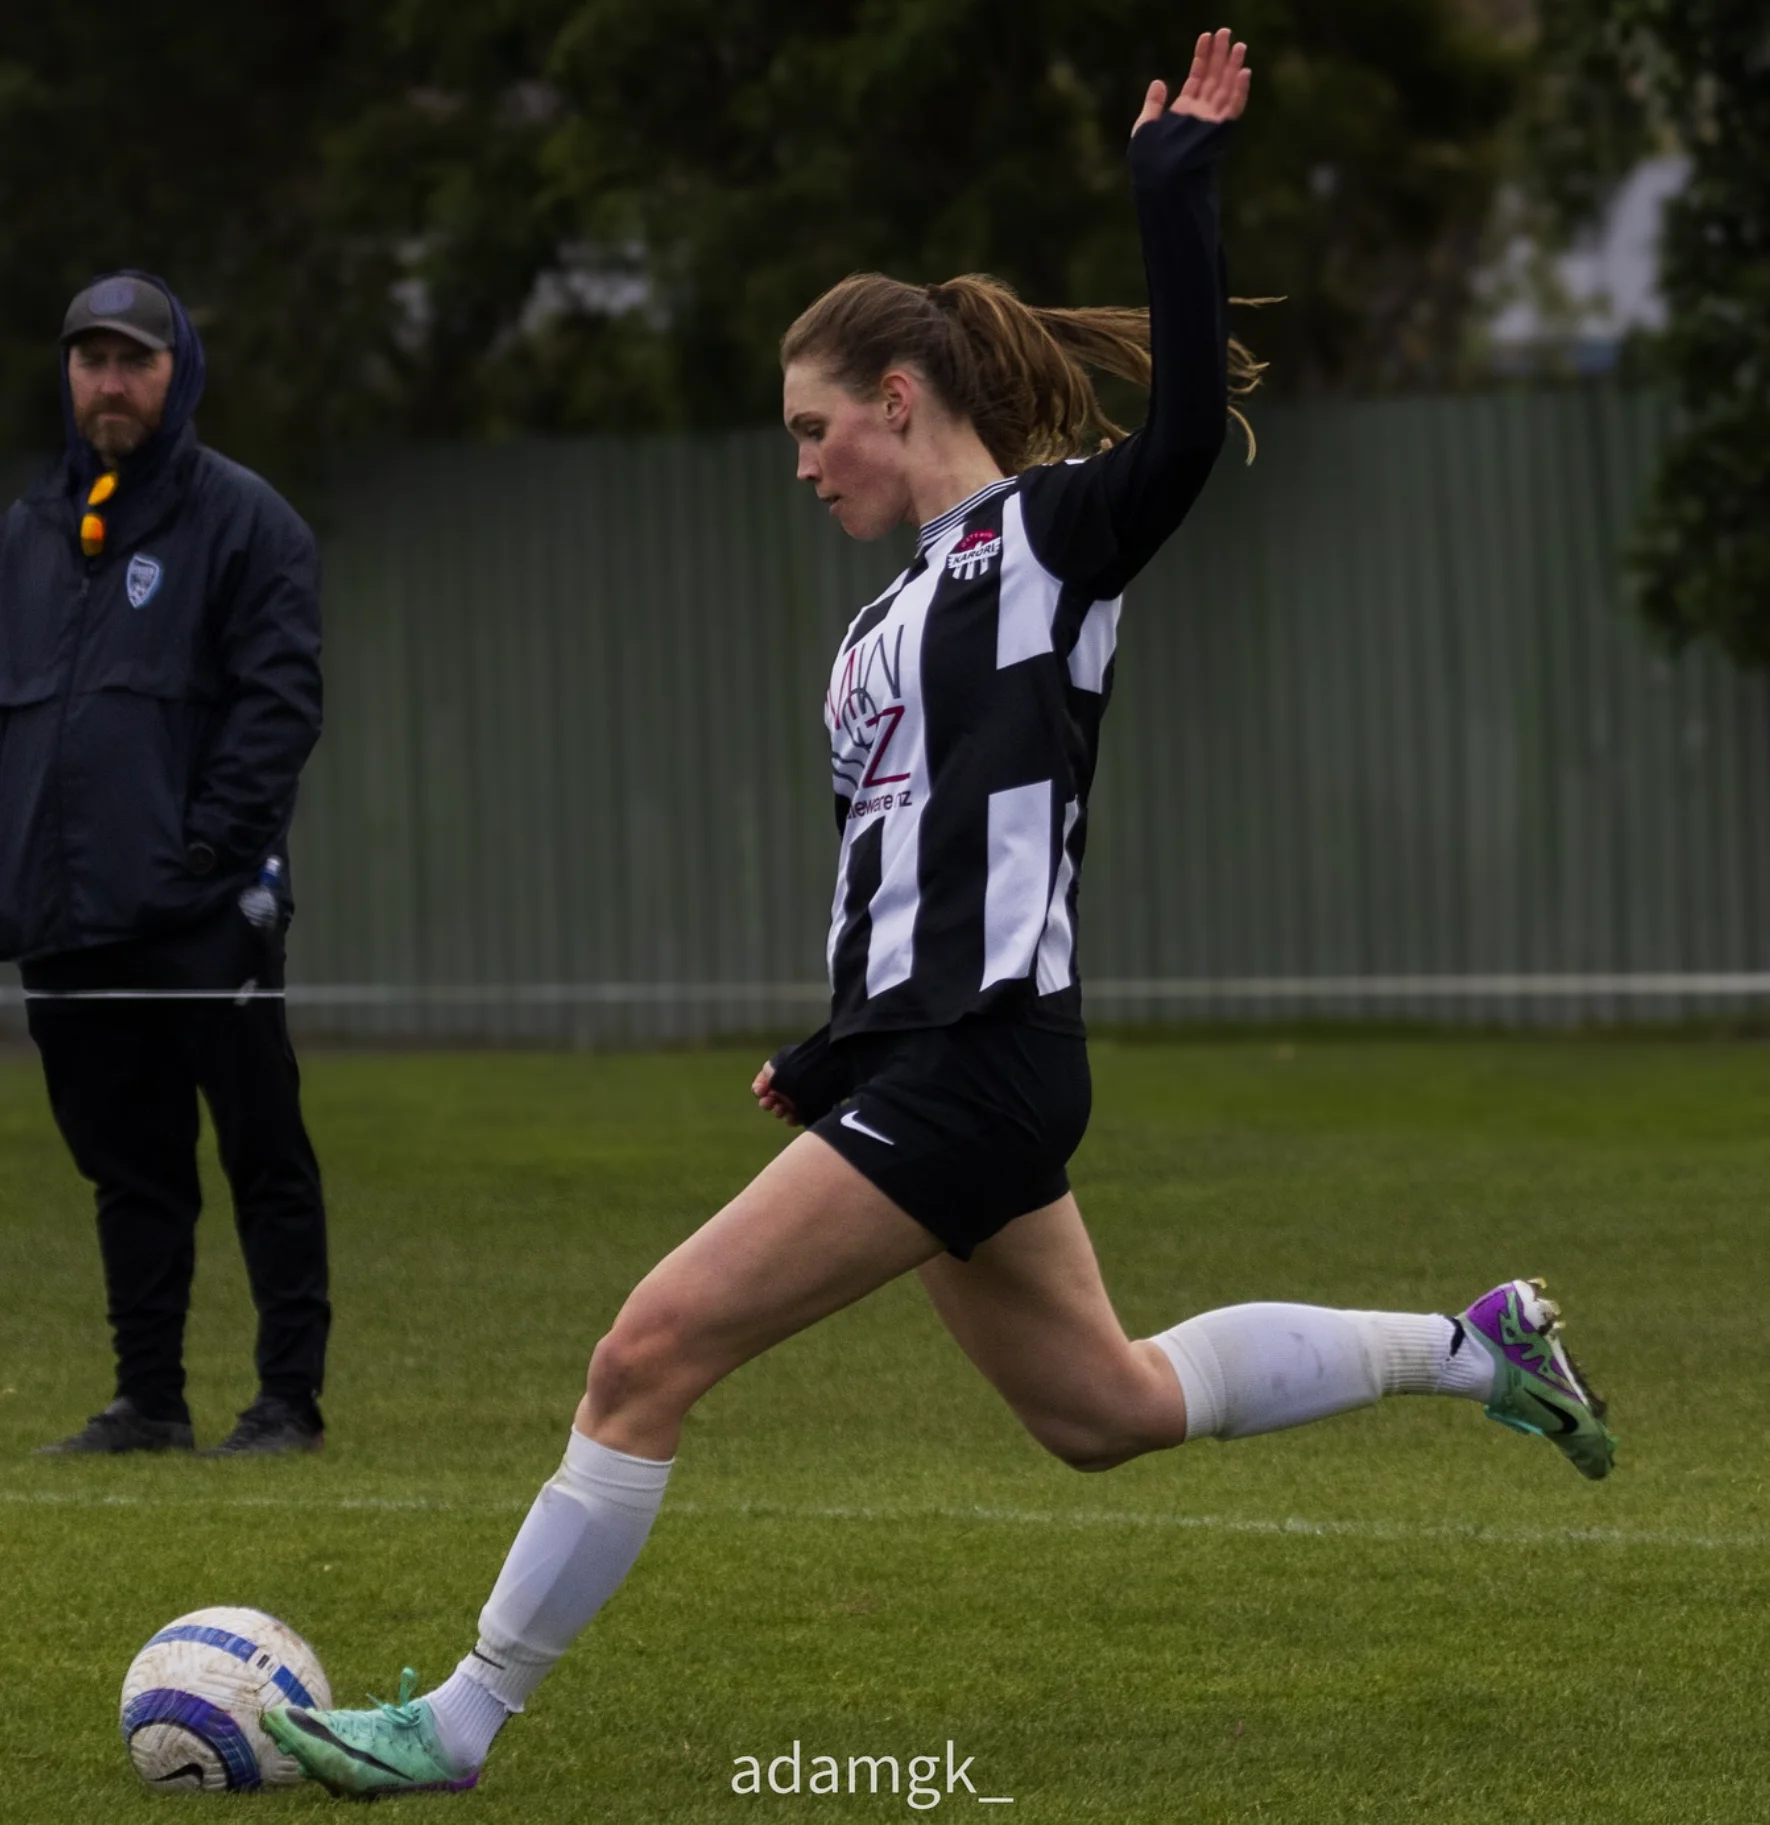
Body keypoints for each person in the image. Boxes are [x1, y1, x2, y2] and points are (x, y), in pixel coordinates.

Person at [263, 32, 1615, 1797]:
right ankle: (1470, 1348)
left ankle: (456, 1724)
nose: (802, 464)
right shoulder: (873, 630)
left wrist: (1173, 192)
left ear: (897, 397)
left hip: (982, 1063)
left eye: (812, 428)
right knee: (1104, 1410)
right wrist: (833, 1049)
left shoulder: (1048, 542)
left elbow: (1183, 434)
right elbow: (901, 868)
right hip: (926, 1060)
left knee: (644, 1351)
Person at [0, 270, 331, 1457]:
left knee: (261, 1151)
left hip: (204, 910)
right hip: (67, 918)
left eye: (133, 361)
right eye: (91, 360)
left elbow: (278, 708)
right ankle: (149, 1401)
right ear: (68, 375)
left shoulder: (247, 521)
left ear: (175, 371)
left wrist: (205, 851)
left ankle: (287, 1400)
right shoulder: (28, 535)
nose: (110, 383)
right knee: (127, 1168)